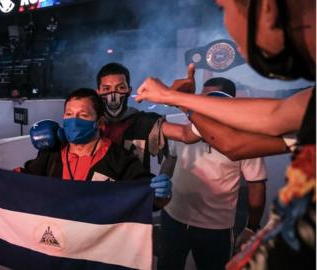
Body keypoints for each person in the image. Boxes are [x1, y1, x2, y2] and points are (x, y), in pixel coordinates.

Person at [134, 0, 315, 269]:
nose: (229, 34)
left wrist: (177, 99)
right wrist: (174, 98)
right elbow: (271, 118)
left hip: (216, 227)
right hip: (175, 218)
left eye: (223, 8)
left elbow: (243, 139)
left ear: (266, 8)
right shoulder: (307, 108)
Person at [158, 79, 268, 270]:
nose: (204, 103)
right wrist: (161, 188)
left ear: (228, 103)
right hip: (173, 217)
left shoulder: (244, 137)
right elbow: (172, 159)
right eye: (202, 97)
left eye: (212, 98)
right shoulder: (184, 125)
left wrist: (252, 227)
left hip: (215, 228)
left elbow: (257, 183)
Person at [18, 88, 172, 207]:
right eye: (69, 114)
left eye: (83, 115)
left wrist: (161, 195)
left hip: (98, 242)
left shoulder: (120, 158)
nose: (74, 120)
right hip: (59, 237)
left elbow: (147, 199)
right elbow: (21, 181)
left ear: (99, 122)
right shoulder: (51, 153)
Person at [96, 63, 199, 172]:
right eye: (106, 89)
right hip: (99, 189)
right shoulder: (89, 124)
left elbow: (187, 134)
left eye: (120, 87)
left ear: (129, 91)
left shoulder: (144, 121)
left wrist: (184, 100)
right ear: (98, 92)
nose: (113, 95)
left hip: (135, 188)